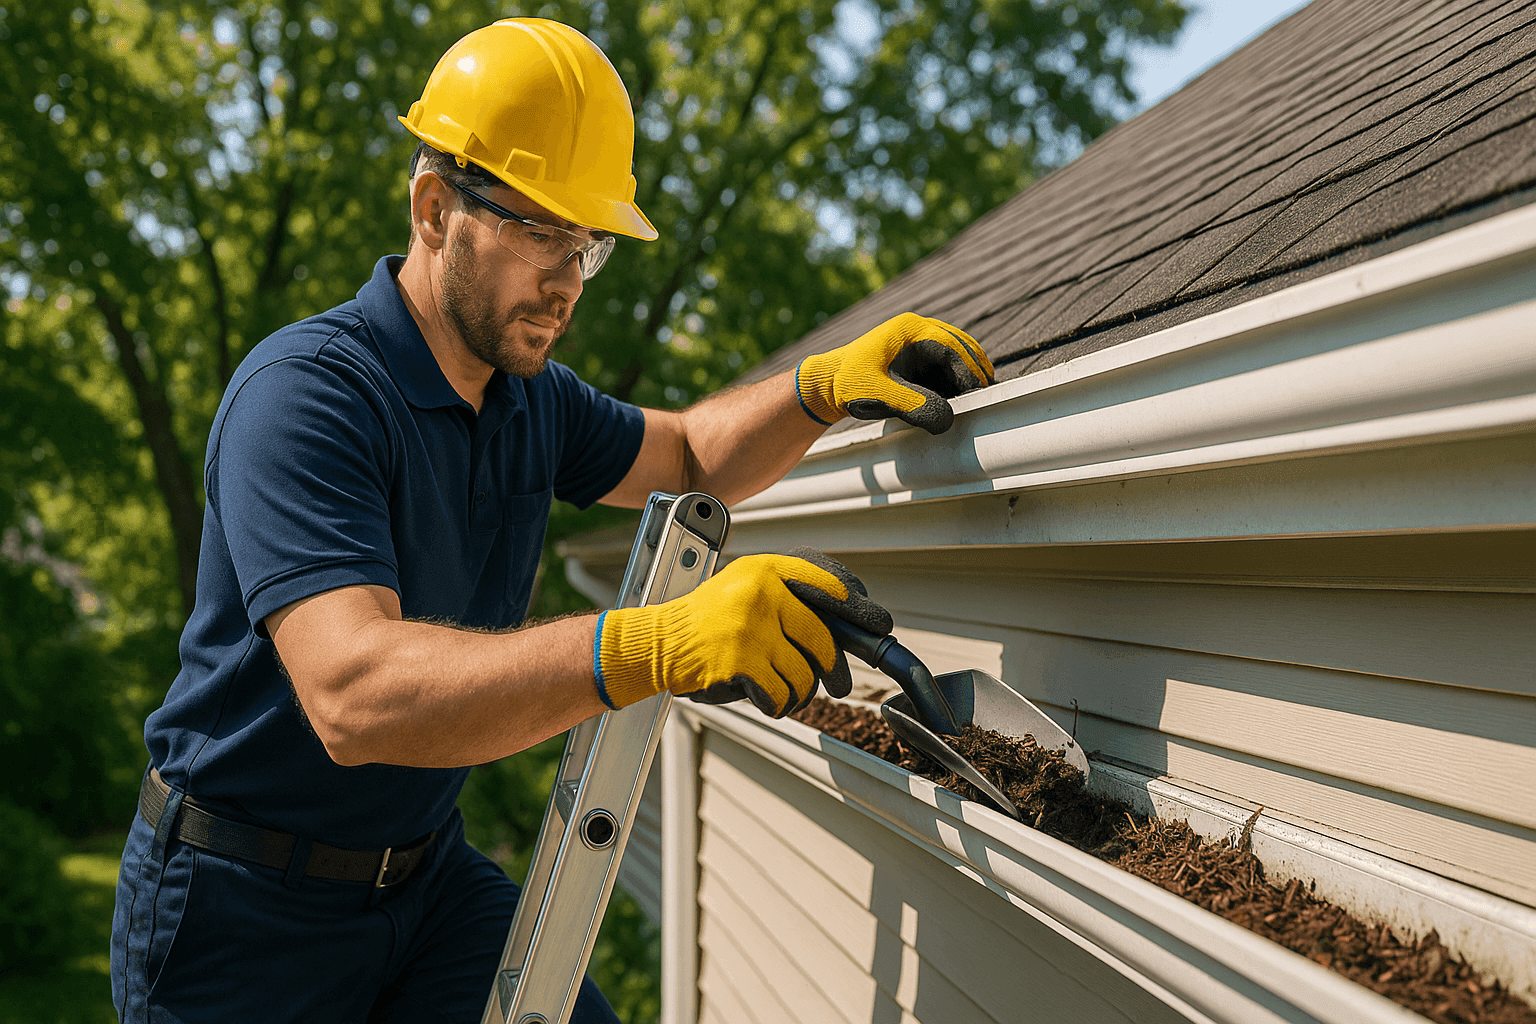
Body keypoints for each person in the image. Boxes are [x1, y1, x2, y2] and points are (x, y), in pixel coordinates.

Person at [110, 17, 994, 1024]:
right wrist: (657, 643)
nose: (569, 282)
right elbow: (352, 694)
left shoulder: (526, 399)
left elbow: (693, 453)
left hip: (421, 884)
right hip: (240, 914)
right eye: (542, 234)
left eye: (588, 246)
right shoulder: (307, 396)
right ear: (435, 209)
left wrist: (820, 388)